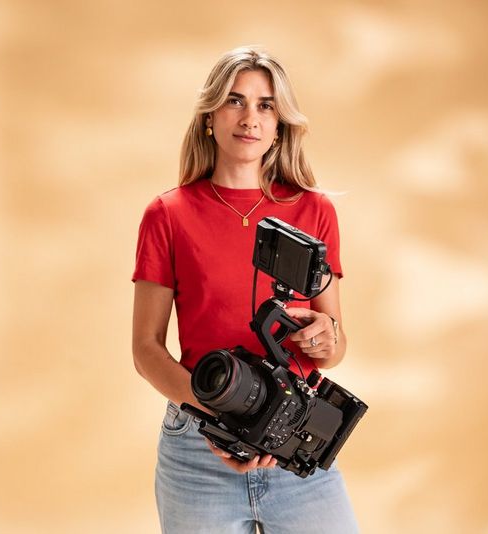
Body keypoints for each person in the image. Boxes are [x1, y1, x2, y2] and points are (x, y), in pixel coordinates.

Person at [131, 46, 359, 534]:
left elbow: (334, 345)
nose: (250, 117)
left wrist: (324, 338)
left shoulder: (314, 212)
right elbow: (146, 349)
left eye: (266, 105)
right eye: (235, 101)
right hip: (198, 446)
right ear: (210, 116)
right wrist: (217, 414)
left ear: (279, 126)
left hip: (297, 434)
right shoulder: (167, 215)